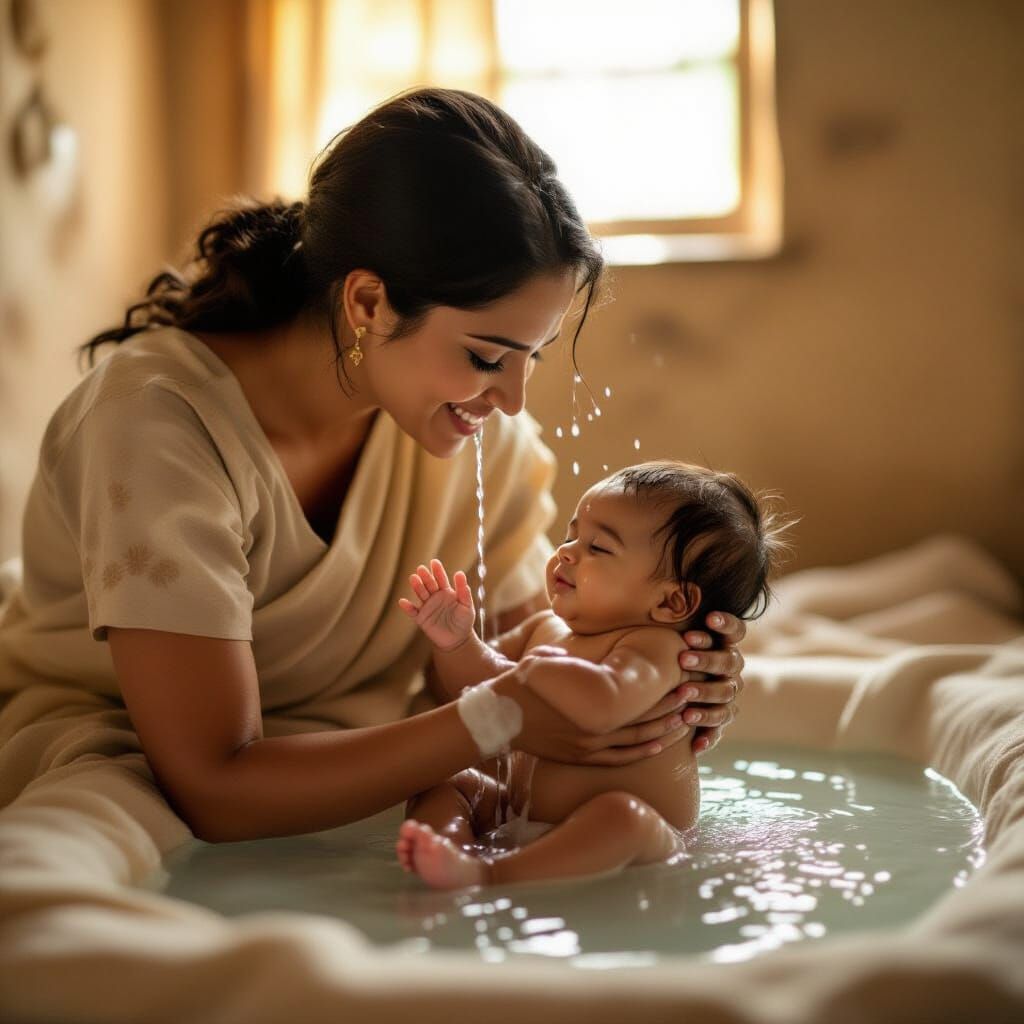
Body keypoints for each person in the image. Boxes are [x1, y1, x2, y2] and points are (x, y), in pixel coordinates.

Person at [0, 88, 745, 851]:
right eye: (487, 356)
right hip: (140, 768)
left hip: (384, 755)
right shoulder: (157, 424)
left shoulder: (463, 432)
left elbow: (534, 655)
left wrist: (671, 681)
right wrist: (502, 716)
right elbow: (216, 789)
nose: (514, 401)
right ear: (367, 302)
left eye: (531, 359)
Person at [395, 461, 787, 889]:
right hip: (522, 813)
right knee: (449, 780)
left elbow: (603, 704)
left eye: (598, 547)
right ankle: (447, 846)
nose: (566, 551)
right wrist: (457, 643)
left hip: (637, 837)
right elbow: (477, 689)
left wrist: (532, 669)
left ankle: (488, 874)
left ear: (672, 603)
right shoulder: (544, 629)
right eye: (570, 534)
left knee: (624, 818)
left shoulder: (655, 648)